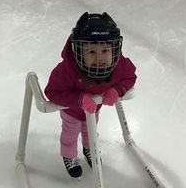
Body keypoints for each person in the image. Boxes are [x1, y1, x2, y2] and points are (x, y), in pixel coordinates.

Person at [45, 12, 137, 179]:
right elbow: (52, 92)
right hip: (72, 112)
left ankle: (90, 149)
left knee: (91, 131)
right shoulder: (68, 69)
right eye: (91, 52)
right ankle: (69, 155)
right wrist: (79, 99)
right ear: (79, 50)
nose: (99, 57)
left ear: (114, 48)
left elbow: (130, 77)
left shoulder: (119, 65)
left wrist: (116, 90)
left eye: (104, 50)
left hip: (94, 109)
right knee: (70, 134)